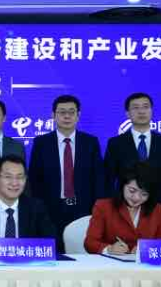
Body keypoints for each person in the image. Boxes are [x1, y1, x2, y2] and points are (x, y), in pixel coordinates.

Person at [28, 94, 104, 253]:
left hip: (83, 209)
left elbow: (98, 179)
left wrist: (97, 210)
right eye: (62, 112)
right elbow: (34, 180)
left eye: (71, 112)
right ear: (53, 115)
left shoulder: (90, 142)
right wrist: (37, 209)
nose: (67, 116)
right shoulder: (41, 143)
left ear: (78, 115)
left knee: (82, 254)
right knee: (52, 254)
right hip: (50, 209)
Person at [104, 92, 161, 228]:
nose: (141, 111)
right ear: (127, 114)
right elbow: (108, 180)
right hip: (124, 209)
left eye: (145, 107)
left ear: (151, 111)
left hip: (158, 208)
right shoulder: (115, 143)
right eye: (136, 107)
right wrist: (110, 211)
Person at [83, 162, 161, 254]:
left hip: (143, 263)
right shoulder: (103, 206)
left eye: (144, 194)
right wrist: (109, 249)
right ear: (122, 186)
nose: (136, 198)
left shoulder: (158, 210)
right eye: (132, 191)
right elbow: (90, 242)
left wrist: (146, 249)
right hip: (111, 262)